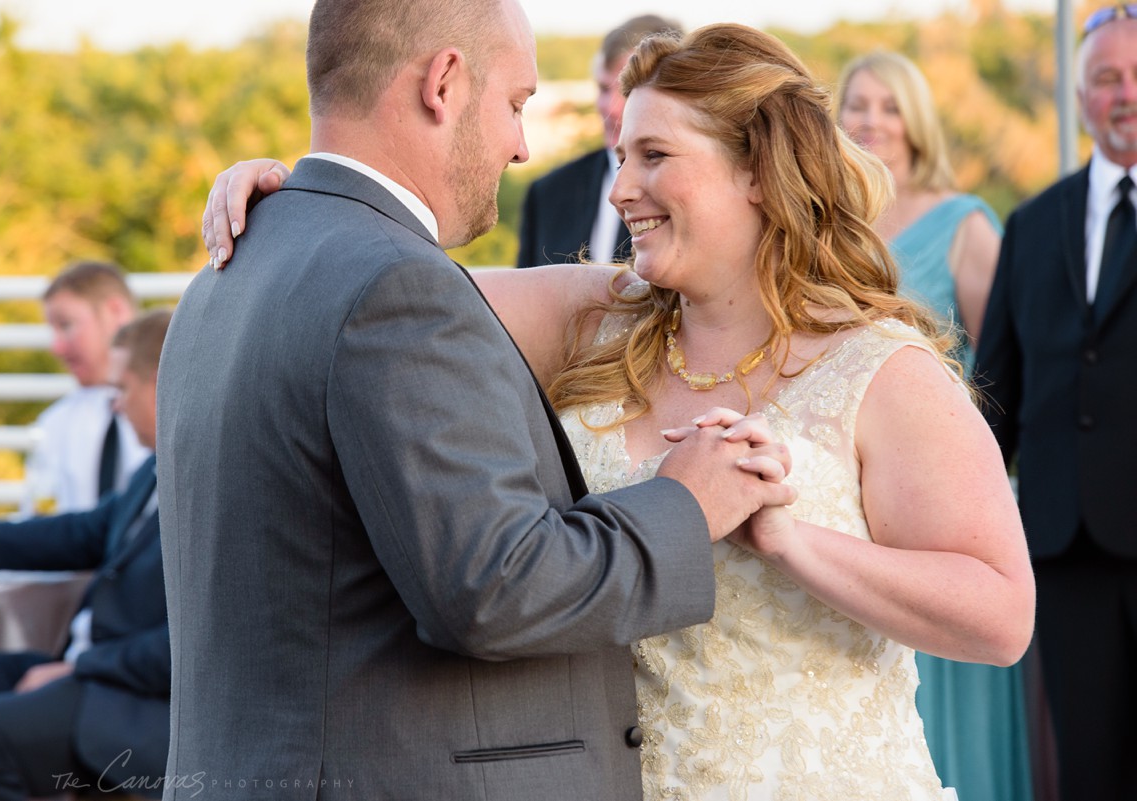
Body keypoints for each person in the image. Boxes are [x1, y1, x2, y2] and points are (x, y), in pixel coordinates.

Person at [204, 21, 1036, 801]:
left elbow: (1002, 615)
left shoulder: (880, 367)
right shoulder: (596, 318)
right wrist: (303, 200)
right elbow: (379, 288)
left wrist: (792, 541)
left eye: (653, 156)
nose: (621, 190)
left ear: (756, 169)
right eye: (618, 157)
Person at [164, 2, 796, 800]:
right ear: (444, 82)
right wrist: (683, 501)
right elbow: (495, 589)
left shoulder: (230, 270)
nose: (522, 145)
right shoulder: (396, 286)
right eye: (516, 104)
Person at [836, 51, 1033, 801]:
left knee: (947, 705)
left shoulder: (963, 224)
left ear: (916, 122)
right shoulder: (830, 225)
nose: (872, 120)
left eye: (890, 106)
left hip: (943, 500)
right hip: (853, 505)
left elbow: (1006, 369)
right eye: (858, 104)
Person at [976, 8, 1137, 800]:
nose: (1127, 94)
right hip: (1065, 545)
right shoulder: (1032, 224)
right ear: (1080, 95)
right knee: (1087, 770)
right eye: (1108, 78)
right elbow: (996, 395)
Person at [0, 308, 172, 801]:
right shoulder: (153, 472)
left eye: (122, 389)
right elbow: (75, 534)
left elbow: (193, 644)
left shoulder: (211, 487)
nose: (114, 406)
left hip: (128, 700)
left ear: (160, 382)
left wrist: (82, 668)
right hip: (82, 667)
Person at [515, 13, 681, 267]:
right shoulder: (547, 193)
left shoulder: (687, 197)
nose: (611, 108)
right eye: (604, 88)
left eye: (626, 92)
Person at [29, 261, 151, 513]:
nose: (57, 347)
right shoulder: (54, 425)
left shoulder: (163, 415)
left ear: (116, 313)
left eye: (66, 325)